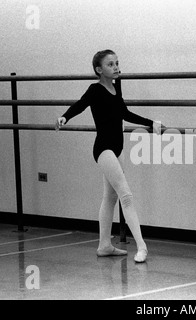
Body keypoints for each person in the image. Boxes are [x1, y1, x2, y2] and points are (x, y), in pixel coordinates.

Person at [56, 49, 162, 263]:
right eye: (110, 64)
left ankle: (104, 245)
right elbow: (80, 105)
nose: (116, 67)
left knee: (110, 196)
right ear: (99, 69)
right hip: (103, 148)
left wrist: (152, 123)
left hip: (118, 147)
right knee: (126, 194)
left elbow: (125, 113)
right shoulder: (94, 90)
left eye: (117, 63)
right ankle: (142, 246)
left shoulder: (116, 87)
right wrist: (64, 117)